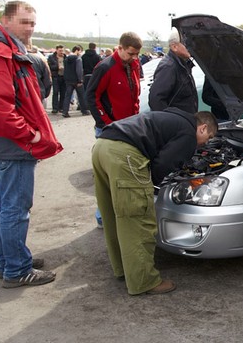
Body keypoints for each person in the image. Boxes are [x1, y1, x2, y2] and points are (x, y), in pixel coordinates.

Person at [91, 109, 217, 295]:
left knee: (114, 215)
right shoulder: (188, 134)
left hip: (102, 146)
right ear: (203, 127)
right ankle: (144, 281)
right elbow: (162, 164)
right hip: (125, 155)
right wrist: (148, 186)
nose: (206, 143)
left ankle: (124, 269)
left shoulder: (176, 117)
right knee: (138, 220)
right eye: (209, 137)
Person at [0, 0, 63, 288]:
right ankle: (17, 269)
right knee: (15, 208)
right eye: (24, 22)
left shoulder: (8, 49)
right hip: (13, 144)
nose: (30, 28)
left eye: (32, 22)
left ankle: (10, 262)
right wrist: (30, 134)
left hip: (5, 143)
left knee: (7, 206)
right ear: (5, 21)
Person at [86, 32, 143, 228]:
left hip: (128, 128)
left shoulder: (133, 65)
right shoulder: (105, 67)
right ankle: (103, 217)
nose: (134, 57)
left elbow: (134, 95)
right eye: (130, 53)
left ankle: (118, 215)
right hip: (110, 130)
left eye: (137, 54)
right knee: (109, 177)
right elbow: (91, 97)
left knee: (124, 174)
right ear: (120, 48)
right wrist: (106, 123)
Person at [148, 27, 198, 114]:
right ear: (174, 47)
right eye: (186, 44)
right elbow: (156, 100)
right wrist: (169, 123)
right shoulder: (169, 66)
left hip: (186, 121)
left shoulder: (184, 64)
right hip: (176, 124)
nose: (191, 46)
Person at [61, 45, 89, 117]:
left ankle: (65, 111)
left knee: (67, 96)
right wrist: (80, 80)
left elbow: (65, 70)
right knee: (81, 96)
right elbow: (79, 70)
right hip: (76, 80)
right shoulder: (78, 59)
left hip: (68, 80)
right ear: (77, 50)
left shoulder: (66, 59)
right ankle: (84, 110)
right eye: (80, 51)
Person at [26, 43, 52, 108]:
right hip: (38, 94)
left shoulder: (11, 57)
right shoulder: (40, 59)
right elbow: (47, 80)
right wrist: (44, 94)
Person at [47, 44, 66, 114]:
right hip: (56, 77)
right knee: (55, 92)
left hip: (64, 77)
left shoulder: (65, 57)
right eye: (60, 50)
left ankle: (61, 107)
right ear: (57, 50)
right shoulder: (52, 57)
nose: (61, 52)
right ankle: (55, 108)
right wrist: (57, 67)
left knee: (63, 93)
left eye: (62, 50)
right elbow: (49, 67)